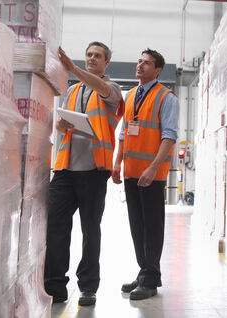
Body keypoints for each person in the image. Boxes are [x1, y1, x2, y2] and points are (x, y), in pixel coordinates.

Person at [45, 42, 123, 306]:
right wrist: (60, 123)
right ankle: (55, 286)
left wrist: (73, 68)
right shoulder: (73, 89)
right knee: (56, 228)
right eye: (88, 54)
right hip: (65, 170)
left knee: (91, 230)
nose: (92, 58)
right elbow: (60, 125)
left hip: (93, 171)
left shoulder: (111, 90)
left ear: (106, 62)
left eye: (97, 56)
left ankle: (88, 287)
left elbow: (101, 88)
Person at [112, 48, 179, 300]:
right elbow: (123, 132)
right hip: (131, 172)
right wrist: (117, 162)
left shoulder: (166, 97)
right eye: (139, 61)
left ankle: (150, 280)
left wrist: (153, 168)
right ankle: (144, 272)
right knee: (137, 226)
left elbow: (169, 136)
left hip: (152, 175)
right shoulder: (131, 97)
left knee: (152, 226)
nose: (140, 65)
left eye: (147, 63)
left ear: (158, 70)